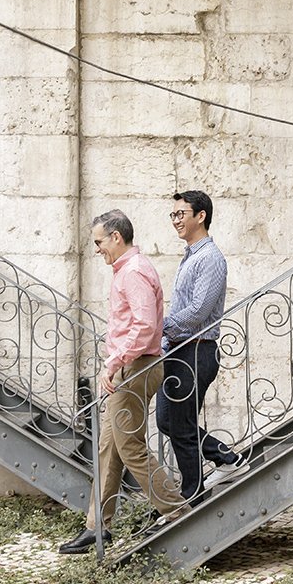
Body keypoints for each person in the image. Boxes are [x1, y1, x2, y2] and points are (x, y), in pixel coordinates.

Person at [58, 210, 186, 555]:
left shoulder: (133, 272)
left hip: (137, 368)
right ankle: (97, 526)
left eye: (99, 242)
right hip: (131, 368)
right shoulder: (128, 270)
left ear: (117, 237)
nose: (97, 249)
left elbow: (144, 326)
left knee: (129, 447)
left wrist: (114, 363)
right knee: (109, 446)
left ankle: (177, 511)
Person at [156, 189, 242, 504]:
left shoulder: (210, 258)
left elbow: (197, 313)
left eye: (181, 214)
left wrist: (157, 329)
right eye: (173, 215)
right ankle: (223, 459)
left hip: (196, 351)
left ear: (200, 216)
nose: (176, 220)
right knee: (168, 421)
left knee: (180, 423)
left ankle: (192, 493)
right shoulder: (191, 256)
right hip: (179, 351)